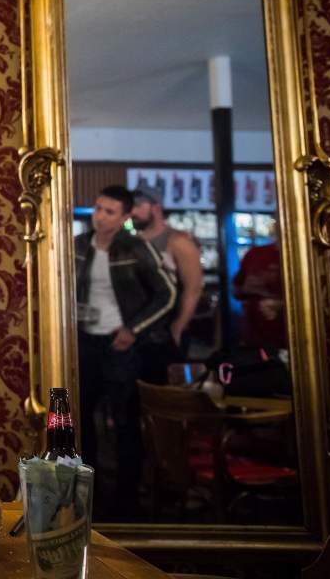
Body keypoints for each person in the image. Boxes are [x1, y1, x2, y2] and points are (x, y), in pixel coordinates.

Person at [75, 185, 175, 519]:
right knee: (81, 420)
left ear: (125, 217)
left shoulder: (135, 248)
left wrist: (134, 329)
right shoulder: (77, 246)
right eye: (98, 208)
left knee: (125, 422)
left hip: (119, 344)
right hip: (85, 341)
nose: (100, 216)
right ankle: (88, 496)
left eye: (109, 211)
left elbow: (168, 294)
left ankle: (127, 501)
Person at [131, 182, 204, 383]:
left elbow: (194, 288)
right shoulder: (134, 243)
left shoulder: (178, 241)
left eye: (138, 206)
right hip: (137, 333)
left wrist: (179, 327)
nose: (133, 212)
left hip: (165, 333)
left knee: (165, 394)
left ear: (155, 207)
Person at [234, 231, 286, 351]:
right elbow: (236, 290)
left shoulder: (305, 256)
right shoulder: (255, 253)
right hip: (253, 337)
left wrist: (281, 305)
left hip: (291, 338)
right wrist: (246, 289)